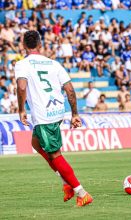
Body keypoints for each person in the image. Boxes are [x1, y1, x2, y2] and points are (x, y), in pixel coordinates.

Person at [15, 30, 93, 206]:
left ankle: (81, 192)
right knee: (35, 143)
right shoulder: (54, 64)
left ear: (23, 45)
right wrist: (74, 114)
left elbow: (21, 87)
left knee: (55, 154)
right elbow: (70, 90)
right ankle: (65, 181)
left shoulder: (22, 65)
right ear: (40, 44)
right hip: (57, 111)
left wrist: (21, 109)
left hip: (44, 116)